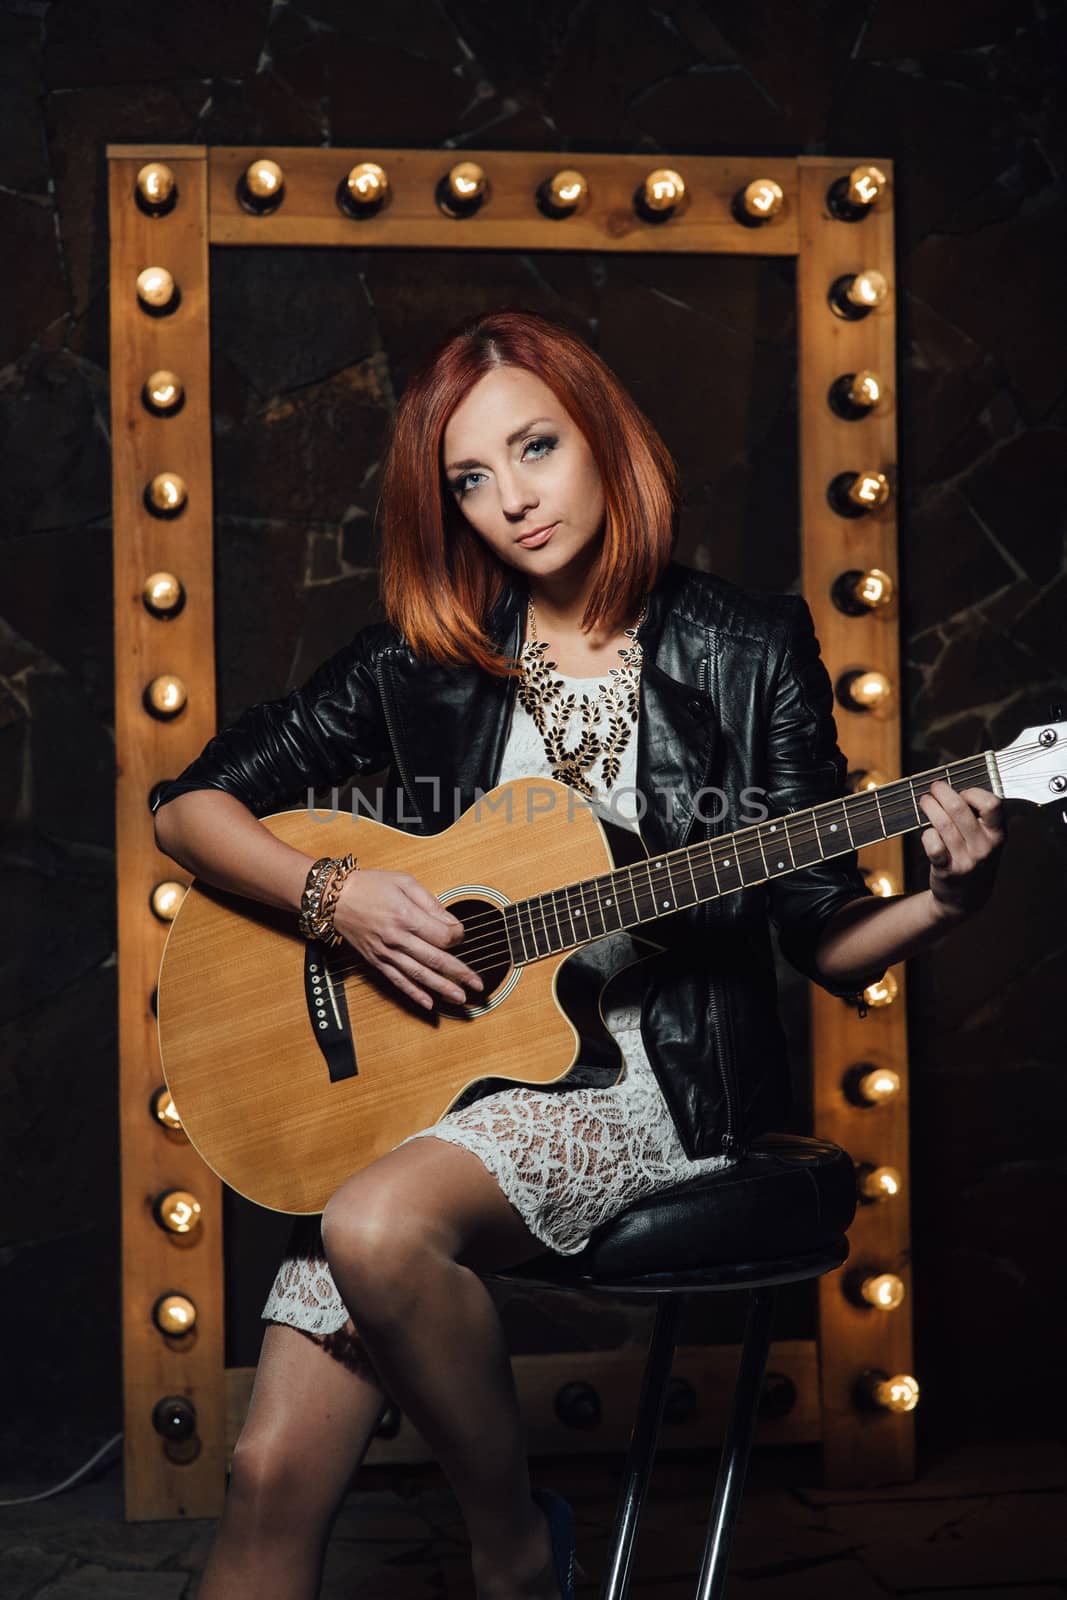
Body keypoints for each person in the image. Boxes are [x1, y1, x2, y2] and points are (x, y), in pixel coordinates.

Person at [151, 308, 1006, 1600]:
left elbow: (827, 941)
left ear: (603, 435)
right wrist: (336, 898)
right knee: (268, 1479)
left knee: (374, 1224)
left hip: (642, 1085)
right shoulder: (434, 654)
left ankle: (509, 1551)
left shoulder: (745, 647)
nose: (513, 502)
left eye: (536, 448)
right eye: (472, 481)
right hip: (434, 1085)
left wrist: (941, 901)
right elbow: (188, 808)